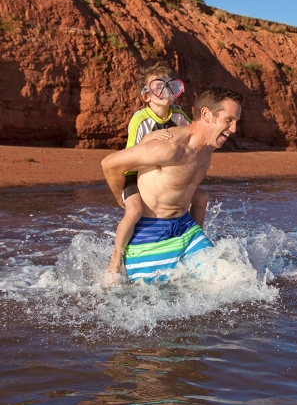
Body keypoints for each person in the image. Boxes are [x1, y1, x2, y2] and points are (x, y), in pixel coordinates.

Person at [101, 85, 243, 283]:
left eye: (236, 121)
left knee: (235, 281)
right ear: (207, 115)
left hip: (186, 229)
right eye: (229, 120)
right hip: (150, 236)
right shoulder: (170, 147)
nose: (234, 129)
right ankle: (115, 262)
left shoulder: (208, 146)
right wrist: (121, 199)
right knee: (147, 303)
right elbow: (109, 164)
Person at [107, 61, 209, 273]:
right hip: (134, 175)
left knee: (200, 198)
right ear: (146, 96)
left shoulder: (180, 116)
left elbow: (192, 139)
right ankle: (115, 260)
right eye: (157, 86)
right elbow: (128, 157)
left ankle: (193, 241)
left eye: (170, 85)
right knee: (134, 210)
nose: (165, 91)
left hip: (162, 177)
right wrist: (148, 139)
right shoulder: (140, 119)